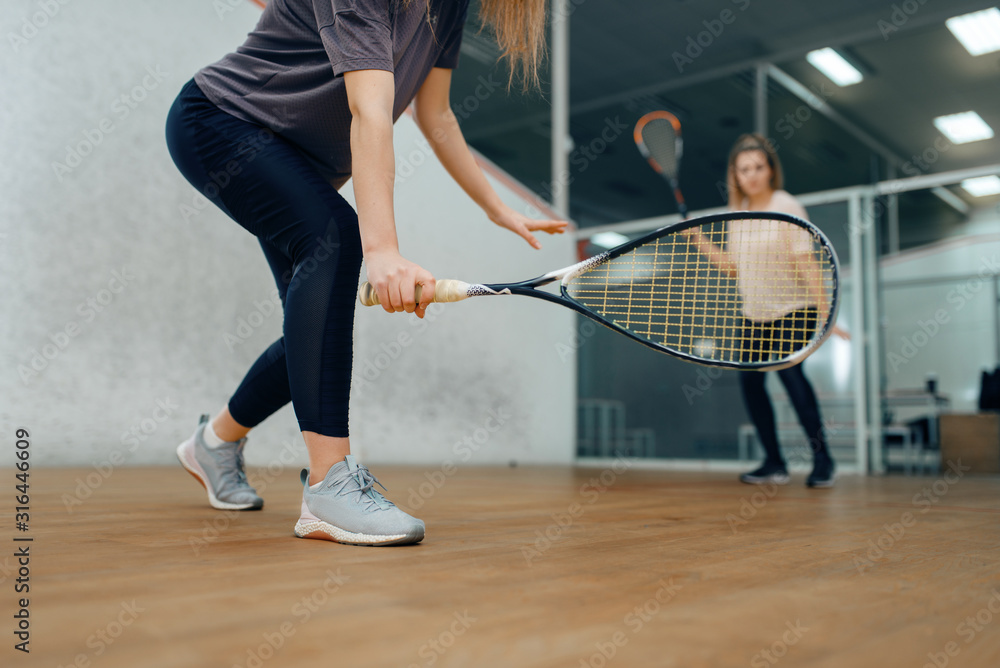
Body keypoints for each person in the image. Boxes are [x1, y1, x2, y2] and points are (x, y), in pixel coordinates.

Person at [165, 0, 564, 546]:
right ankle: (329, 486)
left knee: (313, 327)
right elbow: (370, 110)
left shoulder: (448, 7)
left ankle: (213, 443)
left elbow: (437, 115)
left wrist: (497, 208)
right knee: (335, 240)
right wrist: (381, 251)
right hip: (222, 123)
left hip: (298, 163)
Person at [688, 133, 847, 488]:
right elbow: (733, 266)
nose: (752, 174)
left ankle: (823, 461)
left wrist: (827, 312)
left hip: (794, 308)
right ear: (735, 175)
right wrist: (699, 241)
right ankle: (774, 463)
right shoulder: (736, 215)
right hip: (753, 313)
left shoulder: (786, 204)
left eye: (759, 167)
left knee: (792, 378)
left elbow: (806, 262)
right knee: (751, 383)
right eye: (744, 169)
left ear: (771, 170)